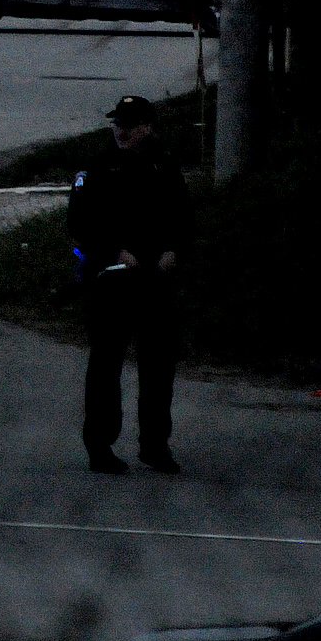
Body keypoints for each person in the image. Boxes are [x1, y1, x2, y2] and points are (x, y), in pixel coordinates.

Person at [66, 95, 192, 474]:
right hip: (112, 280)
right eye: (117, 123)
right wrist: (115, 251)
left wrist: (174, 250)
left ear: (147, 127)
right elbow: (80, 223)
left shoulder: (164, 165)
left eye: (130, 124)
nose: (121, 131)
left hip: (155, 280)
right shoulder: (97, 168)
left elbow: (183, 215)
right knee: (106, 366)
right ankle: (100, 446)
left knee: (158, 366)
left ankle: (155, 445)